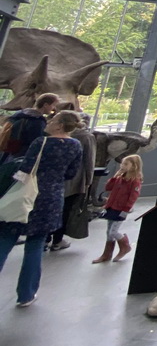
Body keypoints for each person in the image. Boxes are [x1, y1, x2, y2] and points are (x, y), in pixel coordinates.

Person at [0, 110, 82, 307]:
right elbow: (71, 172)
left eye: (53, 119)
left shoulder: (41, 142)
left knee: (5, 240)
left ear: (60, 125)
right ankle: (26, 294)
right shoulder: (75, 146)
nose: (49, 121)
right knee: (35, 246)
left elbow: (25, 169)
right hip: (52, 198)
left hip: (27, 195)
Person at [48, 112, 96, 251]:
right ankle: (57, 240)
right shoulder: (86, 137)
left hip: (52, 179)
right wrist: (89, 181)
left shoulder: (52, 136)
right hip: (75, 180)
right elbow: (89, 160)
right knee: (66, 210)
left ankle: (45, 238)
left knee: (53, 209)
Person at [93, 154, 143, 263]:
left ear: (134, 166)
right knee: (108, 232)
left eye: (126, 164)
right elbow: (108, 188)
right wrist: (115, 177)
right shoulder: (120, 177)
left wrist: (125, 209)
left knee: (113, 232)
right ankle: (106, 255)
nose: (122, 166)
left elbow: (133, 196)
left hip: (121, 209)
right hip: (111, 206)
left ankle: (125, 246)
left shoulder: (135, 181)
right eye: (122, 163)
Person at [0, 93, 61, 162]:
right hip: (22, 156)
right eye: (53, 105)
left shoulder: (20, 115)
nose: (54, 108)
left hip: (7, 153)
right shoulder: (37, 121)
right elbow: (36, 142)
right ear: (45, 105)